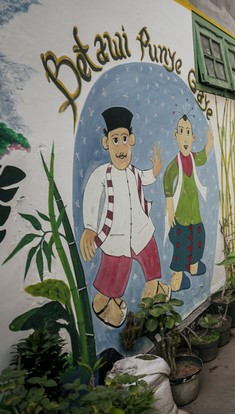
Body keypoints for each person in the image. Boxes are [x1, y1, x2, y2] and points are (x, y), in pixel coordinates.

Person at [81, 106, 170, 328]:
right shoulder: (103, 174)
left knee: (152, 265)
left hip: (142, 232)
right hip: (116, 238)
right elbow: (92, 194)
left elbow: (145, 178)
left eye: (123, 139)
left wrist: (155, 171)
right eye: (115, 140)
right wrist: (90, 228)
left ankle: (155, 289)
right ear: (106, 143)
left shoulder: (134, 172)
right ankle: (102, 301)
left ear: (131, 139)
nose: (120, 146)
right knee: (114, 274)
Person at [164, 114, 214, 292]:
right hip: (181, 215)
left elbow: (203, 154)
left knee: (199, 237)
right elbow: (167, 181)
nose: (185, 137)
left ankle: (193, 265)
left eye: (188, 132)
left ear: (193, 137)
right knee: (181, 242)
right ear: (176, 136)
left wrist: (209, 141)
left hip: (195, 214)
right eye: (181, 132)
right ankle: (177, 274)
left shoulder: (193, 158)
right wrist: (170, 208)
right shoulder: (174, 165)